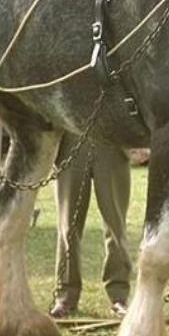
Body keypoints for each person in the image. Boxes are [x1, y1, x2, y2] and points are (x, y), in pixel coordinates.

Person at [50, 134, 133, 319]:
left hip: (112, 141)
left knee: (116, 227)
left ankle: (119, 296)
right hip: (70, 142)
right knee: (67, 229)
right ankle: (65, 297)